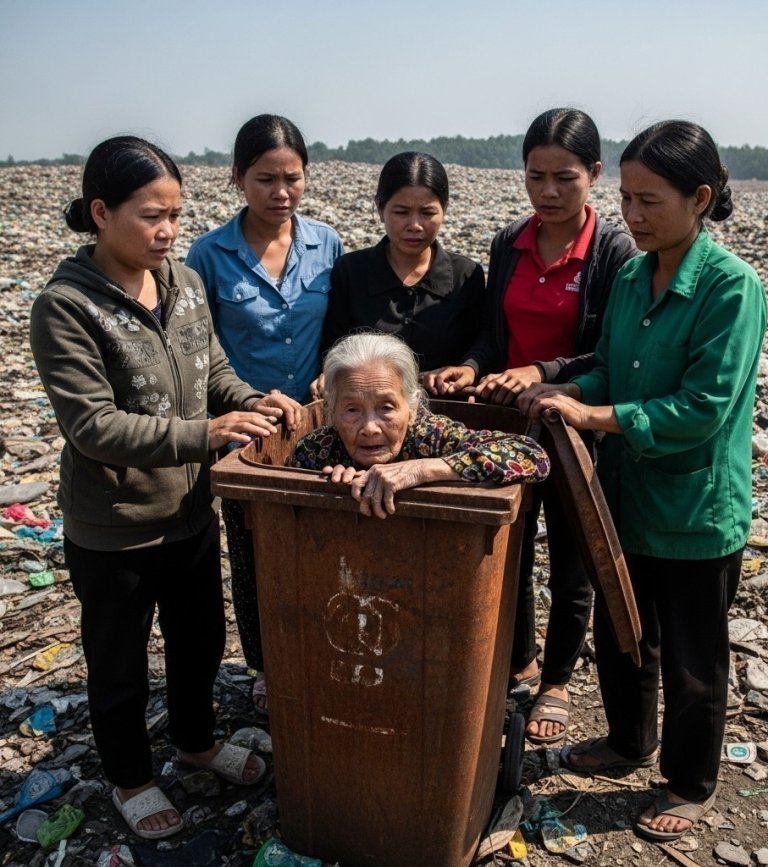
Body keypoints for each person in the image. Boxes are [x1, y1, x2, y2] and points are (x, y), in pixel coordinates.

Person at [29, 136, 300, 840]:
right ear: (100, 212)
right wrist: (206, 435)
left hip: (187, 511)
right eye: (151, 215)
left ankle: (195, 740)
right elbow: (93, 426)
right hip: (115, 526)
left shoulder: (183, 283)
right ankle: (130, 776)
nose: (168, 230)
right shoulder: (66, 306)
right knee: (118, 661)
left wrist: (255, 399)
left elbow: (212, 372)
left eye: (176, 214)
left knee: (199, 639)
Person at [519, 120, 766, 841]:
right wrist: (558, 391)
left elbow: (702, 408)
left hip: (693, 505)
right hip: (627, 495)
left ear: (700, 197)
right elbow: (610, 363)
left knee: (694, 653)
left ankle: (689, 781)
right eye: (626, 198)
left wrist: (593, 414)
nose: (632, 214)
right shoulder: (633, 274)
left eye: (649, 199)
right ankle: (629, 742)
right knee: (625, 627)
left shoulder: (731, 287)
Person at [428, 109, 637, 745]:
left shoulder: (613, 252)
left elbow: (605, 352)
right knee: (508, 550)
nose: (547, 192)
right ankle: (517, 661)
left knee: (572, 562)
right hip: (509, 430)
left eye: (565, 178)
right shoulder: (510, 242)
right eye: (536, 176)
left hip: (574, 430)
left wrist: (540, 371)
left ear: (594, 175)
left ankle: (557, 681)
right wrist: (470, 368)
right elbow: (495, 336)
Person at [186, 115, 341, 710]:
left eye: (292, 178)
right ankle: (266, 662)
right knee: (252, 551)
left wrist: (331, 370)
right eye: (265, 179)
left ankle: (323, 644)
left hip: (316, 425)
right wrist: (240, 404)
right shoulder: (210, 254)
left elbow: (338, 327)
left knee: (320, 542)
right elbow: (204, 348)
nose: (281, 193)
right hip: (245, 431)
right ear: (237, 179)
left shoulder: (325, 243)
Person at [293, 333, 550, 514]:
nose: (370, 427)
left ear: (412, 408)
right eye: (352, 410)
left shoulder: (432, 437)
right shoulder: (317, 450)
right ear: (331, 412)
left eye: (386, 407)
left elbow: (533, 456)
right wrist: (331, 485)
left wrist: (421, 470)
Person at [312, 151, 485, 397]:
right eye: (402, 212)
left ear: (444, 210)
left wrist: (468, 368)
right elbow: (334, 348)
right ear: (381, 209)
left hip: (446, 410)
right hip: (369, 415)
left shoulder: (465, 276)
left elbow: (481, 342)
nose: (414, 225)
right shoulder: (351, 271)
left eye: (427, 213)